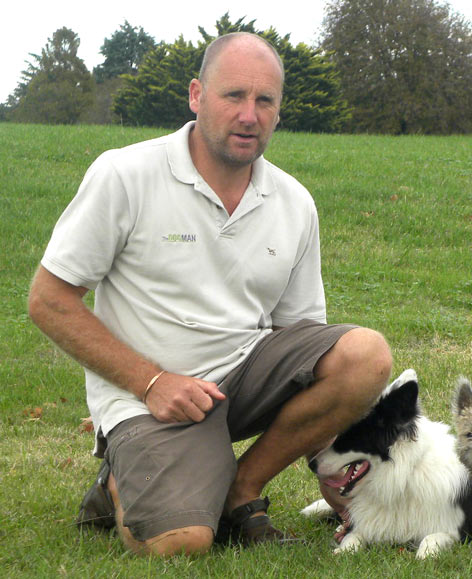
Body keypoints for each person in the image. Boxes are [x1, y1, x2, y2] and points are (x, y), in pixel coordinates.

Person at [27, 32, 392, 556]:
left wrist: (328, 462)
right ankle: (119, 480)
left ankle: (241, 487)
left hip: (245, 375)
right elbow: (48, 300)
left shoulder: (293, 202)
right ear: (197, 95)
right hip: (150, 398)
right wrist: (149, 380)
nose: (249, 115)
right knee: (181, 543)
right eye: (233, 96)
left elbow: (302, 340)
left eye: (265, 100)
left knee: (366, 354)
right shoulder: (125, 174)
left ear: (279, 111)